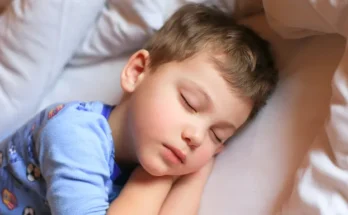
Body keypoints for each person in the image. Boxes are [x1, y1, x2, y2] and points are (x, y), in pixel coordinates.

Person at [0, 3, 278, 215]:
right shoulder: (73, 133)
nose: (196, 135)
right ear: (137, 72)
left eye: (217, 135)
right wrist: (152, 180)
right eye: (189, 102)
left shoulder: (161, 155)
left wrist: (195, 172)